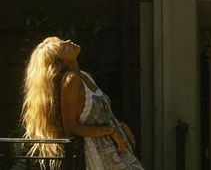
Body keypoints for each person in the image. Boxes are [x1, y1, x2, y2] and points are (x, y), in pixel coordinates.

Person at [21, 36, 145, 170]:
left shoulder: (85, 76)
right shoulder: (71, 81)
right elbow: (71, 128)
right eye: (63, 47)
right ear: (60, 62)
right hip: (100, 154)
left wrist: (120, 126)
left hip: (117, 150)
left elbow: (96, 117)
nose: (68, 41)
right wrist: (109, 131)